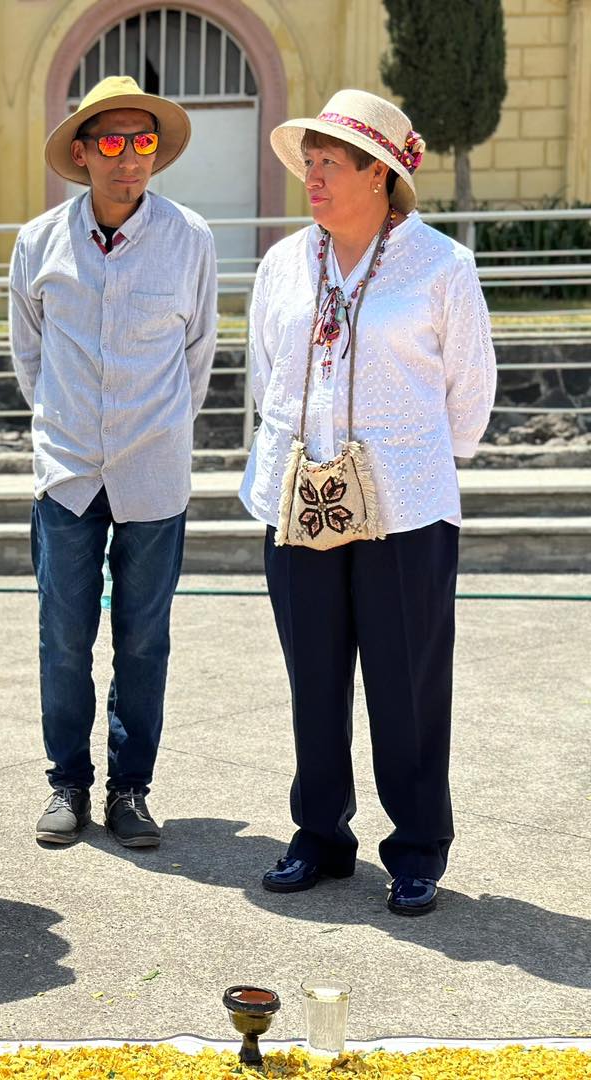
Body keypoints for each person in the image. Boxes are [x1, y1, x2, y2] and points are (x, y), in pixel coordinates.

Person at [239, 90, 496, 915]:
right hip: (298, 501)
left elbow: (471, 396)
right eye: (307, 163)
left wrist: (414, 463)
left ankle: (417, 847)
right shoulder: (284, 263)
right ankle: (320, 834)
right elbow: (264, 373)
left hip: (406, 510)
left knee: (406, 684)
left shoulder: (442, 267)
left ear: (380, 175)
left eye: (328, 163)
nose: (310, 178)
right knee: (313, 678)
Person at [9, 75, 217, 849]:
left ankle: (131, 790)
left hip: (154, 472)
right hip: (66, 472)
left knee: (142, 640)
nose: (130, 158)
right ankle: (67, 782)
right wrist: (69, 424)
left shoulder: (190, 238)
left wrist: (155, 426)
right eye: (112, 142)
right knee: (62, 635)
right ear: (83, 152)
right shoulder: (39, 242)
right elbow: (29, 355)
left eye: (144, 141)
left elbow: (199, 355)